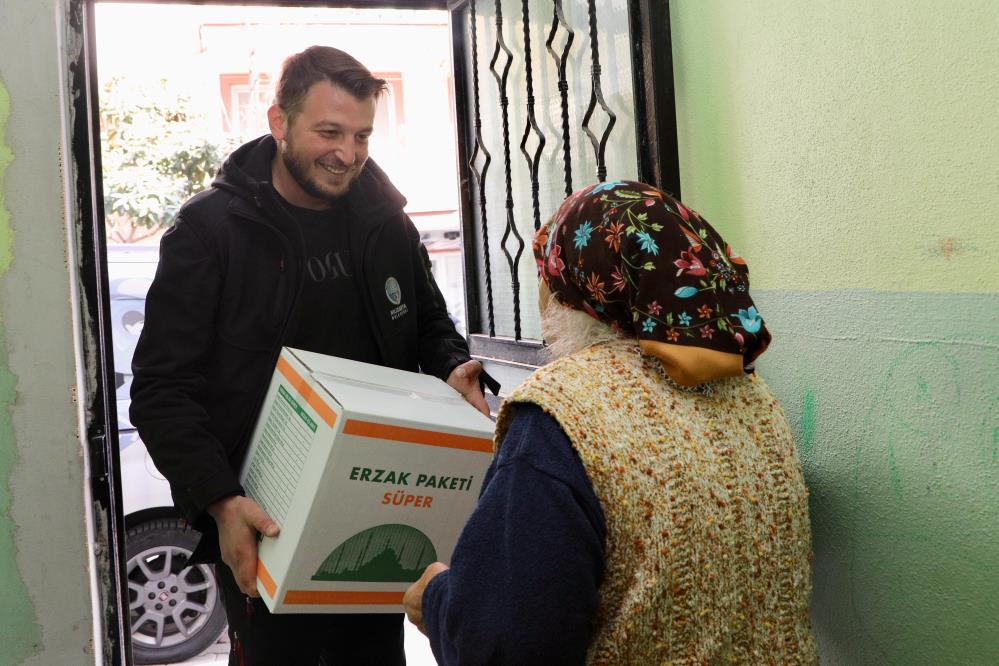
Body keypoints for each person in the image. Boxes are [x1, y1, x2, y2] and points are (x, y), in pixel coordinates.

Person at [130, 45, 495, 666]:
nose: (347, 154)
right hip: (261, 520)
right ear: (279, 122)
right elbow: (162, 390)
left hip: (373, 509)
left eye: (361, 135)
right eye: (329, 131)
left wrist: (453, 368)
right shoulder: (210, 231)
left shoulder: (386, 221)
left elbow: (431, 325)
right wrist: (221, 501)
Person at [403, 180, 817, 664]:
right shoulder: (753, 396)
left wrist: (436, 600)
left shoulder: (561, 412)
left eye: (546, 274)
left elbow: (507, 642)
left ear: (574, 287)